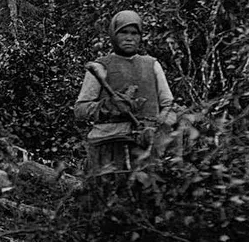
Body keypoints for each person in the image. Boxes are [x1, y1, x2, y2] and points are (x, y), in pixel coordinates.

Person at [74, 10, 176, 184]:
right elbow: (80, 110)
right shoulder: (100, 67)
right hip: (108, 146)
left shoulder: (151, 65)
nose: (129, 38)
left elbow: (169, 105)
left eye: (134, 33)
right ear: (113, 35)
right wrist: (107, 106)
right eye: (123, 32)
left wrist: (158, 130)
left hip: (144, 147)